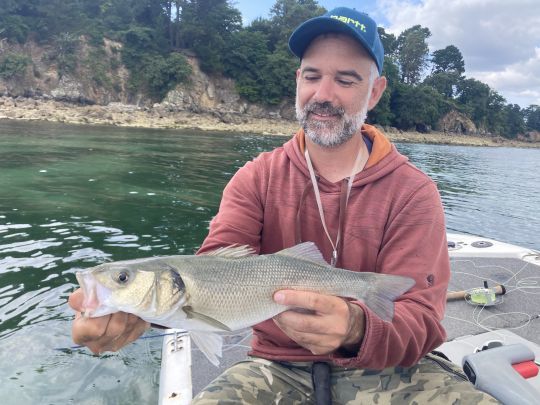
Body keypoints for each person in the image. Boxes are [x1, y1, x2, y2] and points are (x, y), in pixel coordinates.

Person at [69, 7, 497, 404]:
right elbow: (210, 272)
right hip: (277, 366)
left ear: (376, 91)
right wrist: (140, 317)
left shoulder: (413, 192)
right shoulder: (255, 177)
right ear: (297, 81)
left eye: (345, 80)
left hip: (391, 368)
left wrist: (356, 326)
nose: (323, 94)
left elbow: (422, 322)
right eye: (312, 76)